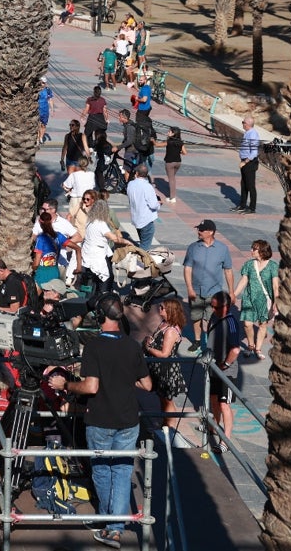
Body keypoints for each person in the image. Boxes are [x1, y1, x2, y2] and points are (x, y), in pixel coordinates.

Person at [48, 293, 151, 550]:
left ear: (100, 317)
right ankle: (114, 526)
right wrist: (123, 379)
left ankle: (109, 524)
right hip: (128, 419)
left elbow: (91, 386)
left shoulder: (94, 346)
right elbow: (146, 384)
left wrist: (66, 384)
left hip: (101, 419)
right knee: (122, 470)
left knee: (102, 470)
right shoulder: (131, 345)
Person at [182, 220, 234, 353]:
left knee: (213, 319)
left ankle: (211, 343)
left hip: (214, 292)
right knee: (195, 317)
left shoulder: (222, 249)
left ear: (211, 232)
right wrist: (189, 288)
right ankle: (197, 341)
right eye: (198, 229)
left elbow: (228, 270)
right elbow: (187, 268)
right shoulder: (193, 247)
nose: (198, 232)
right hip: (196, 291)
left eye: (201, 230)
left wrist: (231, 292)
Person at [205, 291, 242, 453]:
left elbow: (235, 350)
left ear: (226, 306)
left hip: (227, 372)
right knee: (213, 400)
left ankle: (225, 441)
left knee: (224, 404)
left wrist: (225, 365)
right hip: (214, 368)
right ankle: (213, 427)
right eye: (211, 306)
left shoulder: (231, 323)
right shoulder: (214, 317)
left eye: (216, 307)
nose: (213, 310)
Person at [232, 239, 280, 359]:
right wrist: (233, 294)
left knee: (262, 324)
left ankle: (258, 349)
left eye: (254, 249)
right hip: (249, 298)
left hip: (264, 299)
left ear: (262, 251)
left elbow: (275, 285)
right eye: (252, 248)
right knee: (247, 324)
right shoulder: (249, 264)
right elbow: (244, 281)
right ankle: (250, 345)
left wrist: (276, 301)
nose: (251, 250)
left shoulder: (273, 266)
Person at [144, 298, 188, 429]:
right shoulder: (164, 324)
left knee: (167, 399)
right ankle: (165, 423)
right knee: (162, 397)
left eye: (162, 307)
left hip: (166, 369)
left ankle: (170, 425)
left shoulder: (170, 331)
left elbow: (164, 354)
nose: (159, 309)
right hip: (159, 368)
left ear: (169, 310)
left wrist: (148, 348)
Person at [78, 199, 131, 298]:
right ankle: (104, 295)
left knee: (92, 277)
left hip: (88, 254)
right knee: (107, 277)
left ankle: (92, 295)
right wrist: (126, 241)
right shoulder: (101, 224)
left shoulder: (90, 221)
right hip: (97, 255)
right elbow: (114, 238)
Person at [125, 164, 161, 251]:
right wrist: (158, 204)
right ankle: (140, 262)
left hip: (136, 218)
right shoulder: (147, 186)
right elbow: (153, 204)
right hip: (146, 220)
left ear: (136, 173)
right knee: (144, 247)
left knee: (143, 242)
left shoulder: (130, 184)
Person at [235, 116, 261, 214]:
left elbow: (254, 152)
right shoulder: (247, 133)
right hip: (245, 161)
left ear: (248, 124)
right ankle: (242, 205)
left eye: (243, 122)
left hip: (249, 163)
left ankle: (252, 208)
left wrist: (244, 162)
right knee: (244, 184)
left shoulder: (253, 134)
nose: (242, 124)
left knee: (250, 186)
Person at [162, 126, 186, 204]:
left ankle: (172, 197)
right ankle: (172, 194)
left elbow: (158, 145)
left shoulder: (168, 142)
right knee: (172, 177)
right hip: (178, 162)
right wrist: (179, 152)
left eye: (169, 132)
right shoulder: (180, 142)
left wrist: (153, 141)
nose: (167, 133)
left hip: (170, 163)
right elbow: (185, 152)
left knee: (171, 179)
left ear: (173, 134)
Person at [37, 76, 53, 143]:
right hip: (37, 109)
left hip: (45, 110)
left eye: (44, 83)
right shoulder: (36, 90)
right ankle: (37, 139)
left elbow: (50, 99)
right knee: (37, 125)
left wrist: (52, 109)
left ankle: (41, 137)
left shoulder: (48, 90)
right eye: (42, 83)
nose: (43, 84)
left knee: (43, 124)